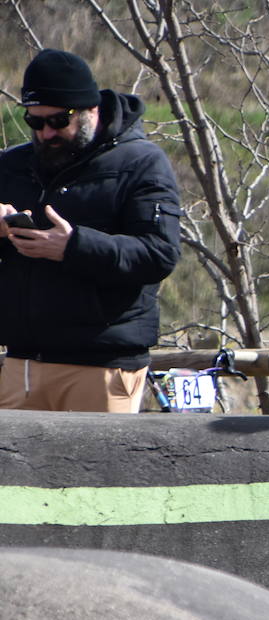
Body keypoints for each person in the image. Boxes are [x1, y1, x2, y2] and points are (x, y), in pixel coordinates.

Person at [0, 48, 182, 412]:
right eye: (35, 122)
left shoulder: (143, 163)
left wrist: (72, 247)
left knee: (101, 471)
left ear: (91, 110)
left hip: (103, 366)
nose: (47, 132)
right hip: (21, 362)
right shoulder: (11, 166)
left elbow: (159, 254)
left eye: (58, 120)